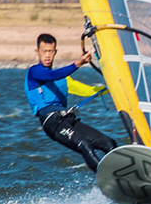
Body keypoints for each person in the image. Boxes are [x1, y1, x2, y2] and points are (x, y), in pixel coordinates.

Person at [25, 33, 118, 171]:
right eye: (44, 51)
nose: (47, 55)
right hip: (52, 123)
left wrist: (113, 87)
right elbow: (52, 75)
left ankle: (121, 173)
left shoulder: (64, 80)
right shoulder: (35, 72)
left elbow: (89, 90)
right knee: (84, 145)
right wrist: (78, 63)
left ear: (55, 52)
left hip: (67, 120)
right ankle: (108, 176)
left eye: (51, 51)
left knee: (109, 143)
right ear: (37, 51)